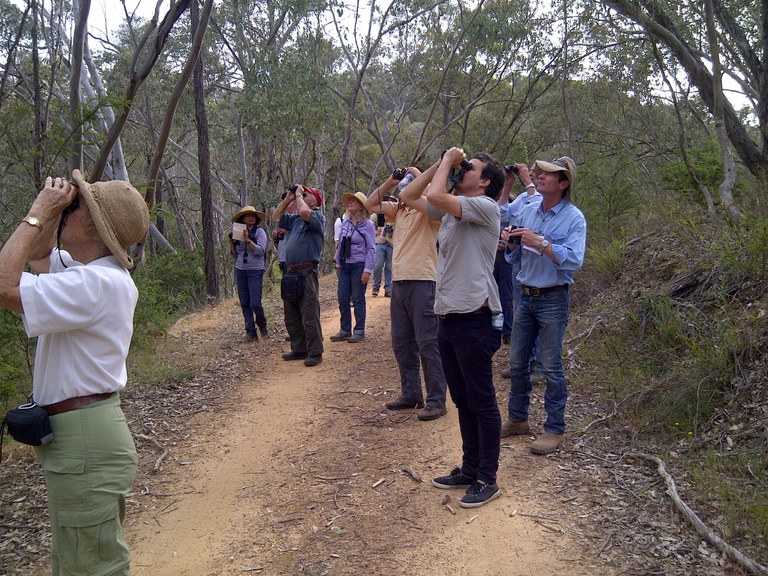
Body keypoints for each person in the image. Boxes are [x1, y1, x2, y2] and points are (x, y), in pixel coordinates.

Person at [0, 170, 150, 575]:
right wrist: (50, 221)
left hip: (83, 437)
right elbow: (39, 257)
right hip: (82, 433)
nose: (69, 208)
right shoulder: (90, 275)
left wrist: (36, 214)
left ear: (95, 226)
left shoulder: (97, 282)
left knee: (92, 564)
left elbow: (5, 287)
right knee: (78, 555)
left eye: (77, 205)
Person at [418, 148, 505, 508]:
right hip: (450, 316)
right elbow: (412, 197)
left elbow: (436, 195)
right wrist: (442, 165)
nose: (462, 171)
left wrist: (450, 158)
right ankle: (470, 469)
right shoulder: (454, 212)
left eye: (470, 169)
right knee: (463, 400)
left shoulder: (486, 206)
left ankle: (488, 477)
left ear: (484, 181)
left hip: (476, 317)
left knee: (481, 400)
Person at [500, 157, 586, 455]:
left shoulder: (574, 218)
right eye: (539, 173)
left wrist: (542, 244)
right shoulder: (529, 210)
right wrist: (511, 244)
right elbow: (515, 257)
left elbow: (575, 260)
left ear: (564, 183)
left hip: (553, 297)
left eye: (548, 174)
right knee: (516, 362)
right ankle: (518, 419)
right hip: (524, 295)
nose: (539, 177)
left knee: (550, 365)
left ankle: (554, 429)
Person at [366, 167, 449, 422]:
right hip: (400, 282)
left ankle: (437, 400)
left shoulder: (431, 210)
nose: (405, 189)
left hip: (424, 281)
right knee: (402, 343)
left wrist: (420, 173)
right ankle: (411, 393)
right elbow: (370, 203)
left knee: (427, 343)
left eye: (410, 184)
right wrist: (392, 179)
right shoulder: (398, 210)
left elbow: (425, 194)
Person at [273, 184, 326, 367]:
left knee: (309, 314)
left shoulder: (317, 216)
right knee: (292, 314)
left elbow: (305, 213)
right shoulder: (294, 220)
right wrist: (288, 198)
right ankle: (299, 348)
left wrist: (299, 195)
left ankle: (315, 352)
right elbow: (276, 216)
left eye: (306, 194)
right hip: (291, 272)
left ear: (314, 201)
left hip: (307, 272)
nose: (301, 196)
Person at [330, 191, 376, 343]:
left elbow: (371, 249)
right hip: (344, 265)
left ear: (361, 207)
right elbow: (340, 245)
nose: (350, 203)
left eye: (354, 201)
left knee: (357, 298)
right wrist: (337, 263)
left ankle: (359, 330)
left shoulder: (368, 225)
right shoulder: (345, 222)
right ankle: (345, 329)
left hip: (359, 265)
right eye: (349, 201)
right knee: (343, 298)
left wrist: (367, 270)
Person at [229, 205, 269, 341]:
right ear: (242, 218)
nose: (250, 218)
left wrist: (248, 240)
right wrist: (232, 241)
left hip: (255, 270)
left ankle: (262, 326)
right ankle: (251, 333)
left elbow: (261, 251)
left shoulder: (260, 232)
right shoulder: (238, 231)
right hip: (240, 270)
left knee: (255, 303)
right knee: (245, 303)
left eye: (252, 216)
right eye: (247, 216)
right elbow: (234, 253)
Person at [370, 198, 395, 298]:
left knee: (389, 267)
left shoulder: (396, 214)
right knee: (378, 265)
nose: (390, 202)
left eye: (392, 201)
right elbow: (370, 222)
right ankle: (376, 287)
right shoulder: (379, 213)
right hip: (380, 242)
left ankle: (388, 289)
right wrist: (374, 232)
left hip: (391, 243)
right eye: (388, 201)